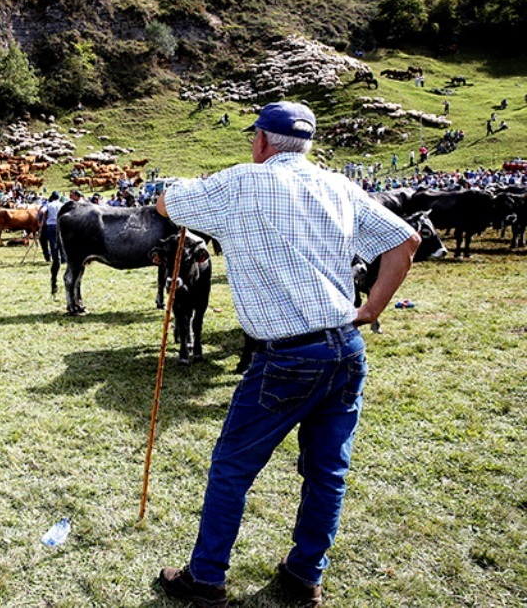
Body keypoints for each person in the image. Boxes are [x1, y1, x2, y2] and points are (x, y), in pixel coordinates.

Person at [154, 101, 420, 607]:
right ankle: (304, 576)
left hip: (288, 356)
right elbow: (404, 241)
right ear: (307, 144)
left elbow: (168, 205)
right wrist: (370, 309)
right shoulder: (340, 185)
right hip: (346, 349)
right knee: (327, 470)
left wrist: (182, 189)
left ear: (260, 142)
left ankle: (206, 579)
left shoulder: (241, 182)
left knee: (232, 465)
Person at [38, 191, 65, 264]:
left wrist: (42, 219)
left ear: (52, 197)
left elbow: (42, 212)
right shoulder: (62, 205)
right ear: (58, 197)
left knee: (53, 243)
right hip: (60, 224)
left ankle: (55, 259)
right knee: (61, 242)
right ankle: (63, 259)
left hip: (51, 225)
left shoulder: (48, 205)